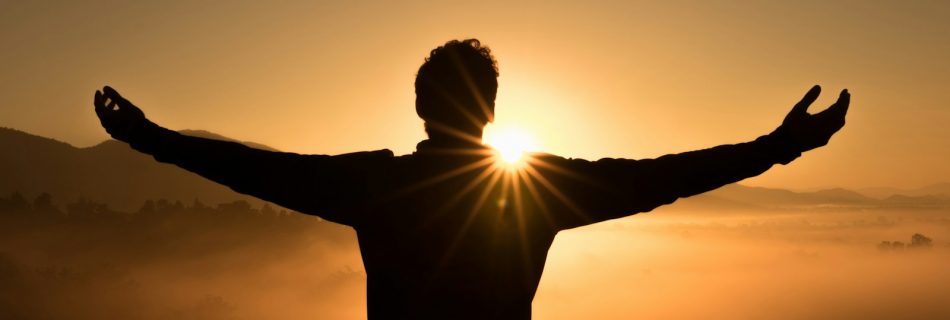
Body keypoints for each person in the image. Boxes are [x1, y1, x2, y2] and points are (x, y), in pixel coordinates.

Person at [94, 39, 850, 319]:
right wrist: (775, 148)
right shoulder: (536, 192)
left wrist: (152, 140)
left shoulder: (377, 187)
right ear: (491, 111)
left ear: (421, 107)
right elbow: (663, 178)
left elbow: (255, 170)